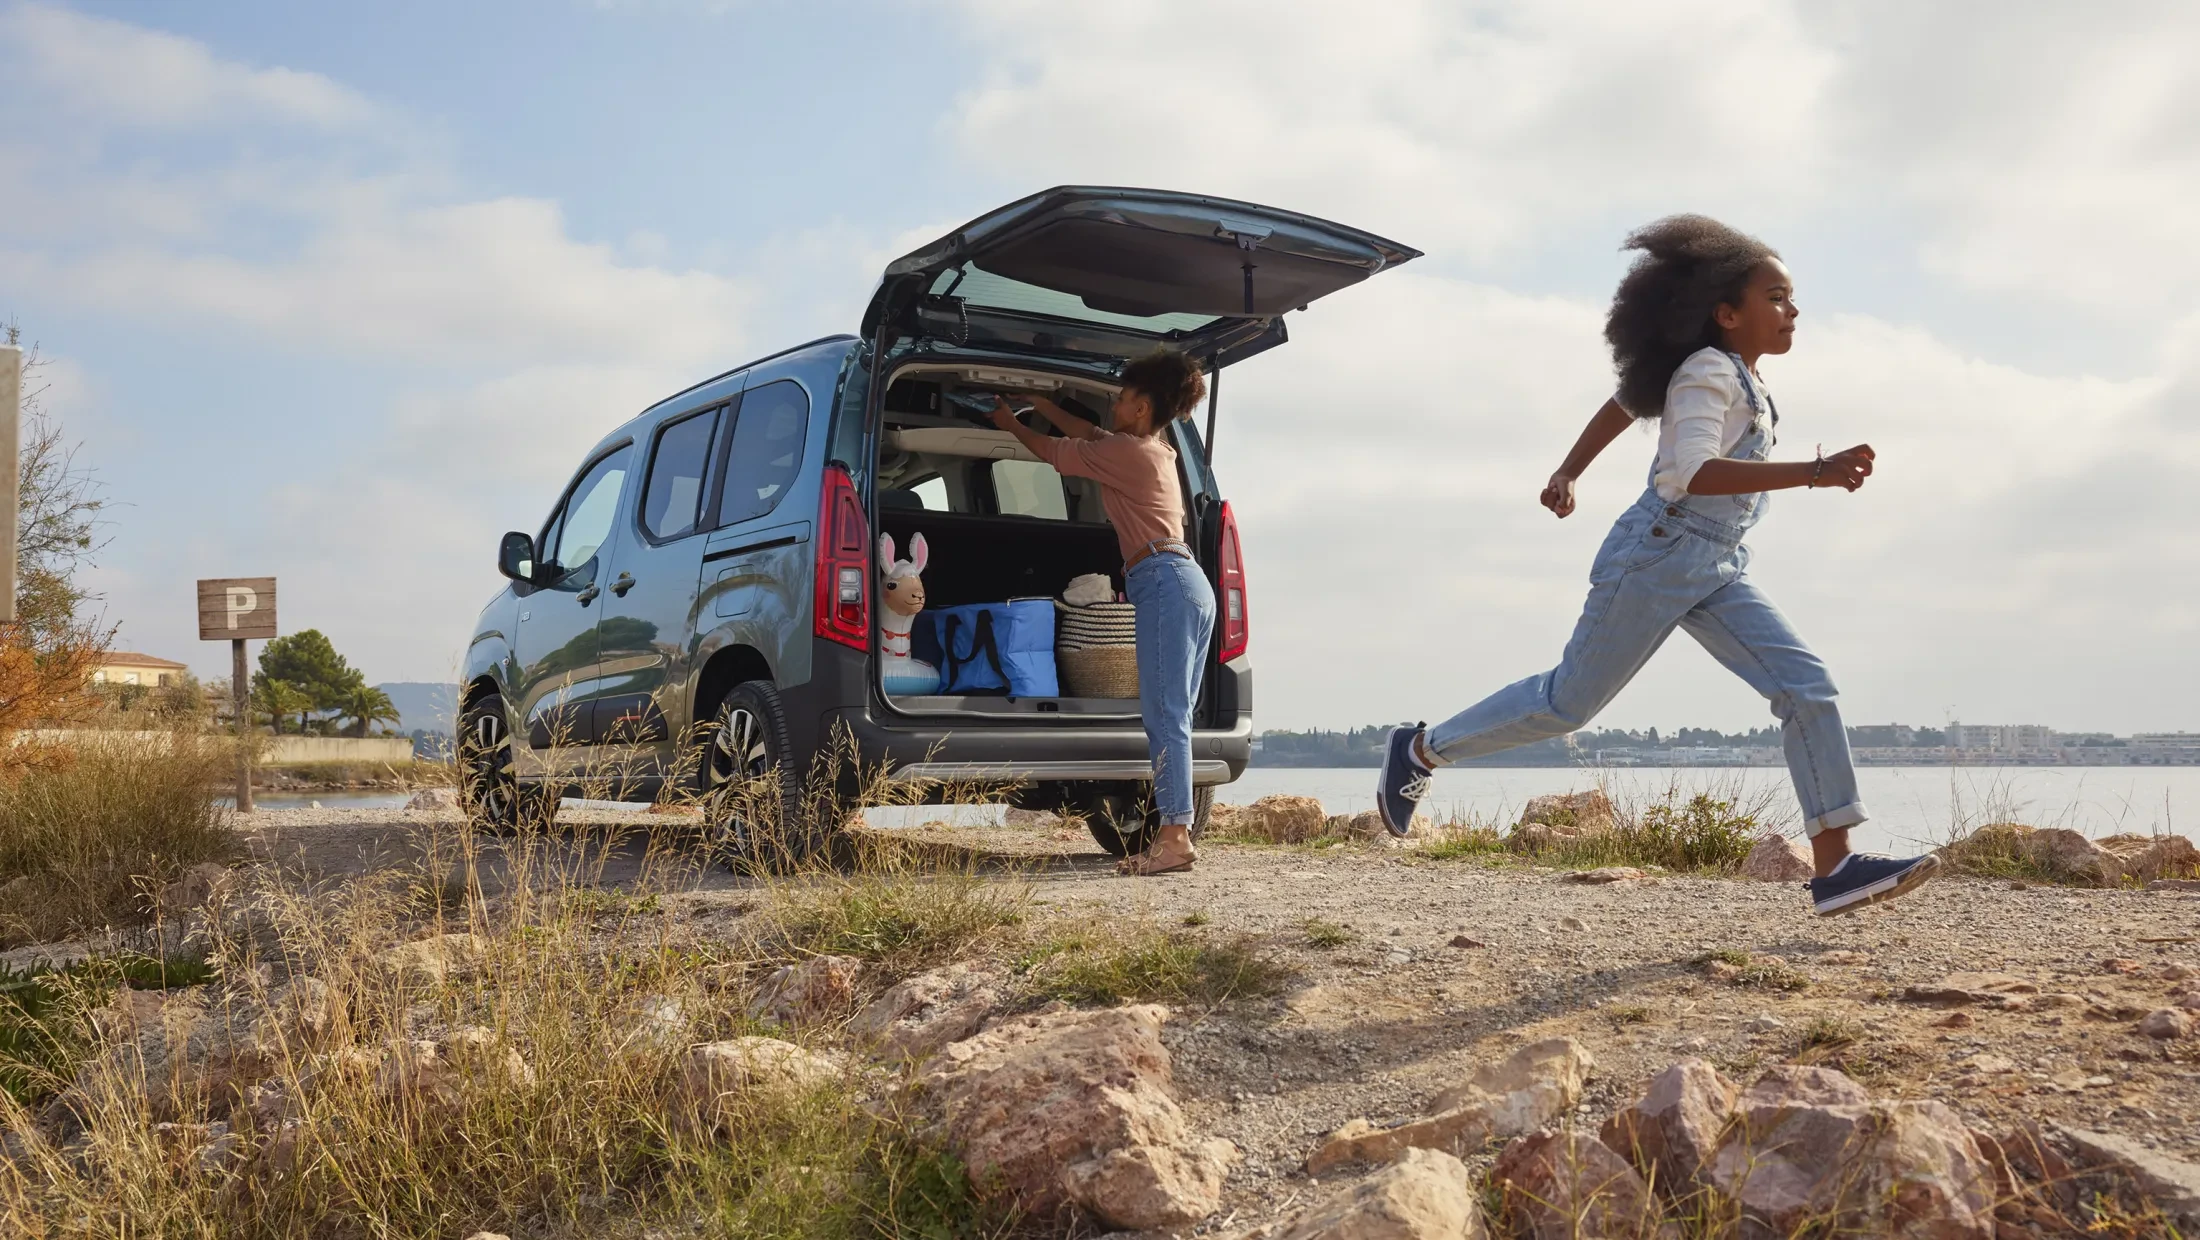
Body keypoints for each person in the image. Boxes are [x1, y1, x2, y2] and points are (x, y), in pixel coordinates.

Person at [1374, 214, 1940, 916]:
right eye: (1777, 298)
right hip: (1659, 555)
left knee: (1807, 687)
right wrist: (1816, 471)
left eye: (1793, 299)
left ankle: (1837, 868)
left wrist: (1568, 470)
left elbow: (1624, 403)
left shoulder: (1733, 376)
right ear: (1727, 313)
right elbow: (1694, 471)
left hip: (1717, 563)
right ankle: (1422, 750)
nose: (1792, 311)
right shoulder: (1707, 369)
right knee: (1566, 705)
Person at [989, 350, 1215, 876]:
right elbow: (1092, 434)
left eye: (1122, 397)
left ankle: (1176, 835)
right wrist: (1043, 400)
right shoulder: (1155, 448)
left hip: (1163, 581)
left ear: (1140, 408)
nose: (1114, 403)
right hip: (1185, 581)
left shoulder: (1128, 453)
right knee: (1175, 711)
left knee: (1166, 714)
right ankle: (1176, 829)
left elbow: (1054, 450)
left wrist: (1008, 424)